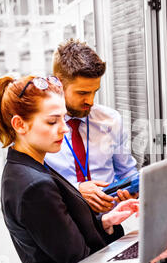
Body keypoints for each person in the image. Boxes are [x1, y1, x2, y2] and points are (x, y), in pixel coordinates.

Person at [0, 75, 167, 263]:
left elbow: (60, 235)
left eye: (63, 119)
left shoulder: (28, 166)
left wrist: (105, 222)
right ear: (19, 124)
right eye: (52, 121)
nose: (64, 129)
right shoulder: (33, 186)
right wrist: (151, 254)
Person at [45, 39, 138, 213]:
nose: (90, 101)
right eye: (82, 93)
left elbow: (126, 171)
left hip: (111, 224)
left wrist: (132, 190)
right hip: (64, 226)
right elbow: (33, 187)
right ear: (58, 84)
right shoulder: (40, 127)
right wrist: (75, 190)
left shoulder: (111, 120)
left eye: (95, 91)